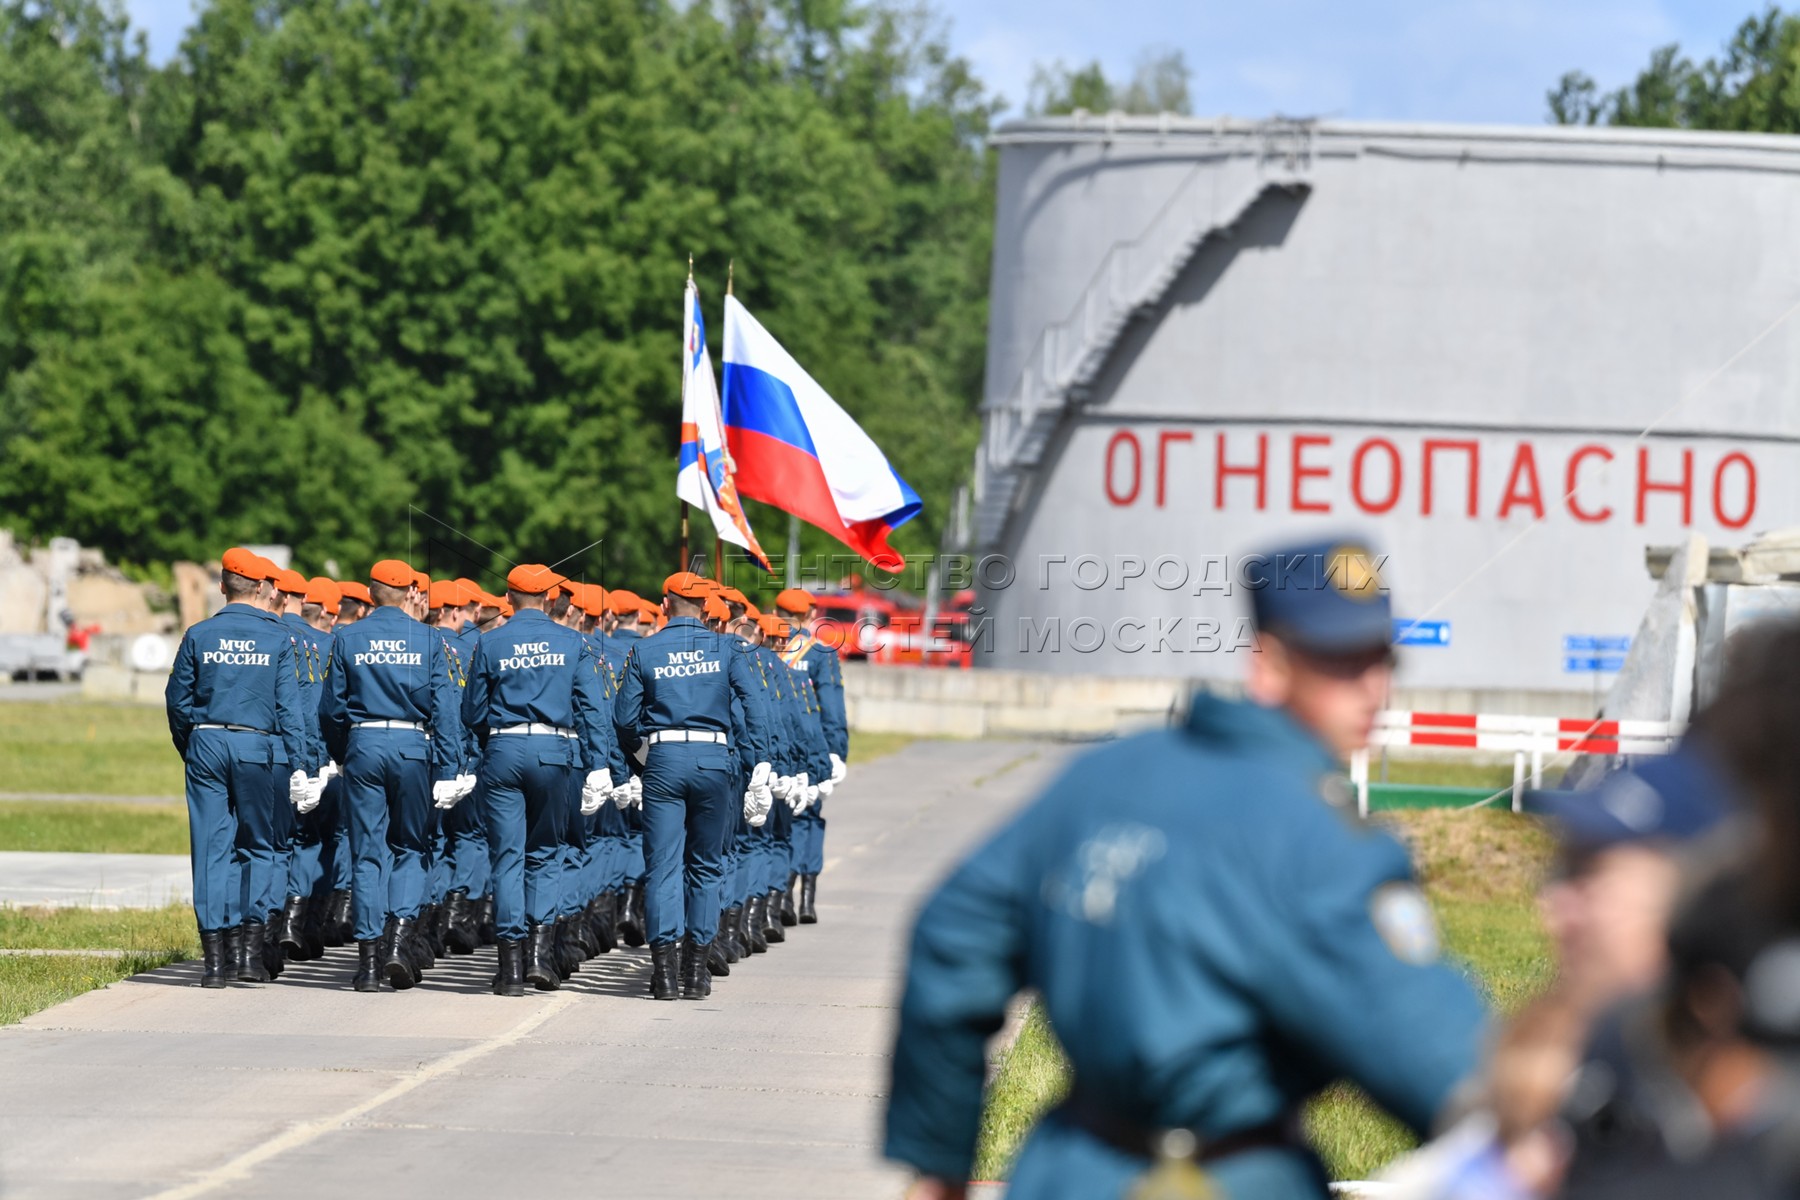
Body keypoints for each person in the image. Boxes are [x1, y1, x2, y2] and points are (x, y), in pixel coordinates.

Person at [884, 538, 1487, 1200]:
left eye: (1381, 660)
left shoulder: (1106, 775)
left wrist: (938, 1162)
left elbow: (951, 939)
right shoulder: (1323, 838)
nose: (1373, 688)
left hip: (1067, 1172)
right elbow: (1440, 1057)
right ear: (1269, 666)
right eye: (1340, 663)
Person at [612, 572, 770, 1000]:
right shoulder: (728, 647)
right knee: (706, 866)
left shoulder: (644, 649)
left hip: (663, 759)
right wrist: (760, 762)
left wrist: (640, 759)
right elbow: (754, 703)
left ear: (665, 605)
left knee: (663, 867)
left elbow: (624, 719)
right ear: (705, 609)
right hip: (713, 761)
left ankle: (663, 974)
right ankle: (696, 972)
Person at [462, 565, 618, 994]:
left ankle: (509, 969)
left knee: (507, 857)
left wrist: (494, 739)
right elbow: (591, 708)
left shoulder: (489, 641)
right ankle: (538, 956)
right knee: (546, 853)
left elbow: (472, 711)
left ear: (508, 598)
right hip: (554, 752)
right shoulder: (574, 642)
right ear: (551, 599)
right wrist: (599, 763)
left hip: (504, 750)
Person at [164, 547, 309, 988]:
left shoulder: (199, 634)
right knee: (259, 846)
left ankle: (213, 962)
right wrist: (301, 763)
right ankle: (248, 953)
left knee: (211, 849)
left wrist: (191, 745)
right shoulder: (275, 637)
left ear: (223, 586)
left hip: (206, 740)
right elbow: (290, 707)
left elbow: (177, 700)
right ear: (262, 589)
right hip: (255, 746)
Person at [319, 560, 466, 992]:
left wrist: (344, 752)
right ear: (409, 595)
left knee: (367, 853)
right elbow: (445, 708)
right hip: (411, 748)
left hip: (363, 744)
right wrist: (448, 765)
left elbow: (330, 708)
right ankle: (399, 944)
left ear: (370, 592)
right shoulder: (428, 637)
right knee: (410, 847)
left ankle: (366, 964)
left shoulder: (347, 637)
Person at [773, 588, 848, 925]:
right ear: (809, 616)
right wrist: (836, 751)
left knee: (774, 820)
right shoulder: (819, 652)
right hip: (809, 745)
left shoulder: (763, 646)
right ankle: (806, 899)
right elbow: (831, 707)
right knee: (808, 817)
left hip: (772, 744)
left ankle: (781, 894)